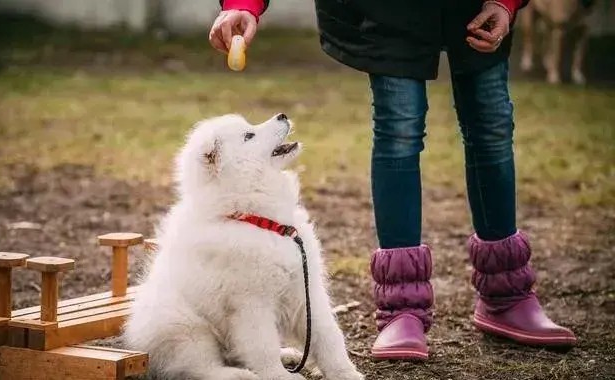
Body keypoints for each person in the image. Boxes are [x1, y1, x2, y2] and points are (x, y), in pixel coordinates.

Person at [209, 0, 576, 361]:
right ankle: (402, 310)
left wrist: (506, 2)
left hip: (477, 5)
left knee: (492, 125)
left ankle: (506, 294)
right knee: (399, 130)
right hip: (390, 11)